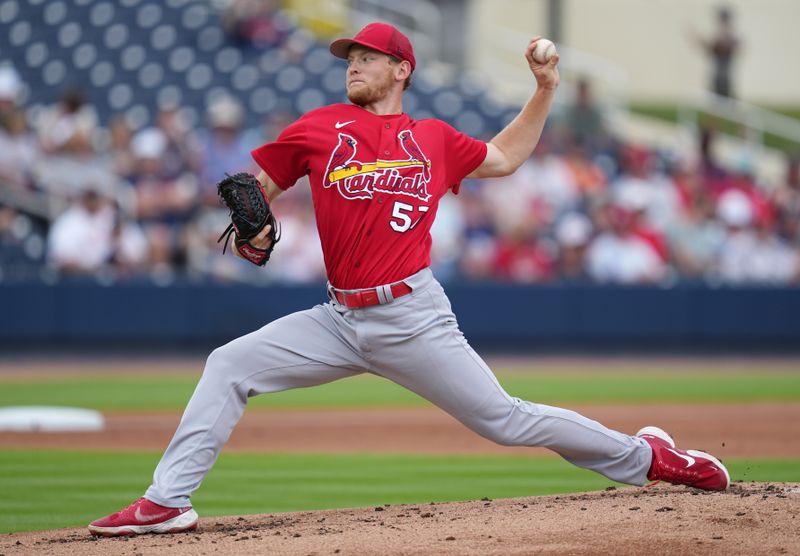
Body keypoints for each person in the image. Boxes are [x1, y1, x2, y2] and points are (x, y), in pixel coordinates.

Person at [89, 22, 730, 537]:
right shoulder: (319, 127)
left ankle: (649, 456)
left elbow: (505, 156)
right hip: (338, 319)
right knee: (229, 365)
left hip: (412, 316)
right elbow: (254, 189)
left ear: (402, 70)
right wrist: (253, 221)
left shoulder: (433, 138)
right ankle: (167, 502)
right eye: (350, 56)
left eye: (368, 56)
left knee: (503, 420)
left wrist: (543, 90)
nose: (354, 64)